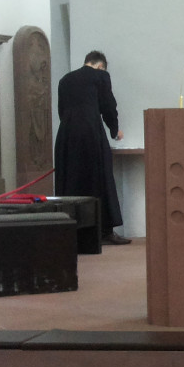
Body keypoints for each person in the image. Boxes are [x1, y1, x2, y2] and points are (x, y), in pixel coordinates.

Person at [54, 50, 128, 245]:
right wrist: (114, 130)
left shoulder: (65, 80)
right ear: (100, 66)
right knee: (101, 178)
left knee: (71, 180)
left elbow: (61, 110)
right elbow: (108, 105)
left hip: (67, 135)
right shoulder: (100, 77)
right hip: (91, 132)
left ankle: (72, 231)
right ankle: (105, 230)